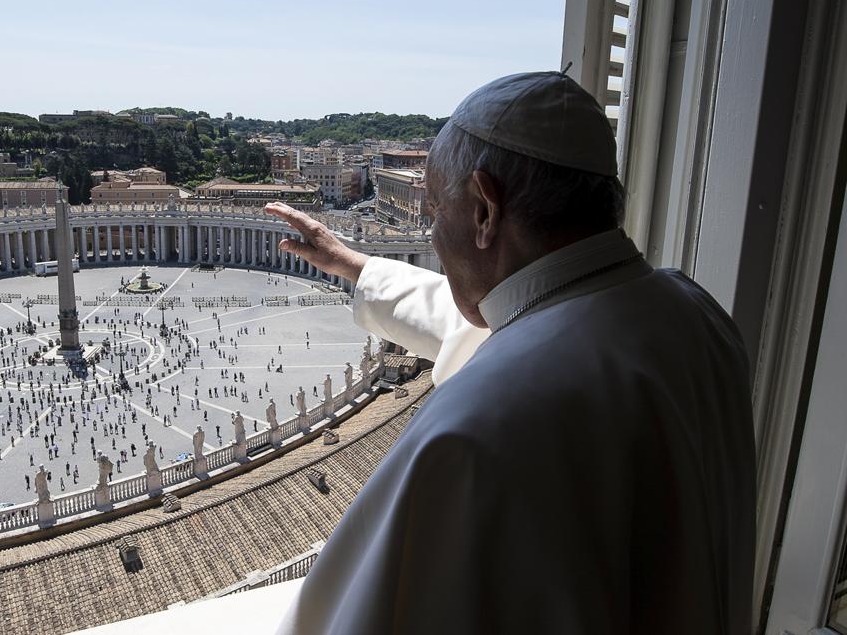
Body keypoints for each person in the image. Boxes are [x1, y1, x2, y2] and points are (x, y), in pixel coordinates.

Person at [266, 71, 754, 633]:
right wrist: (356, 266)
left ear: (485, 211)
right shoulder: (695, 312)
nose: (429, 235)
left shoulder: (474, 428)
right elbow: (509, 325)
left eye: (433, 210)